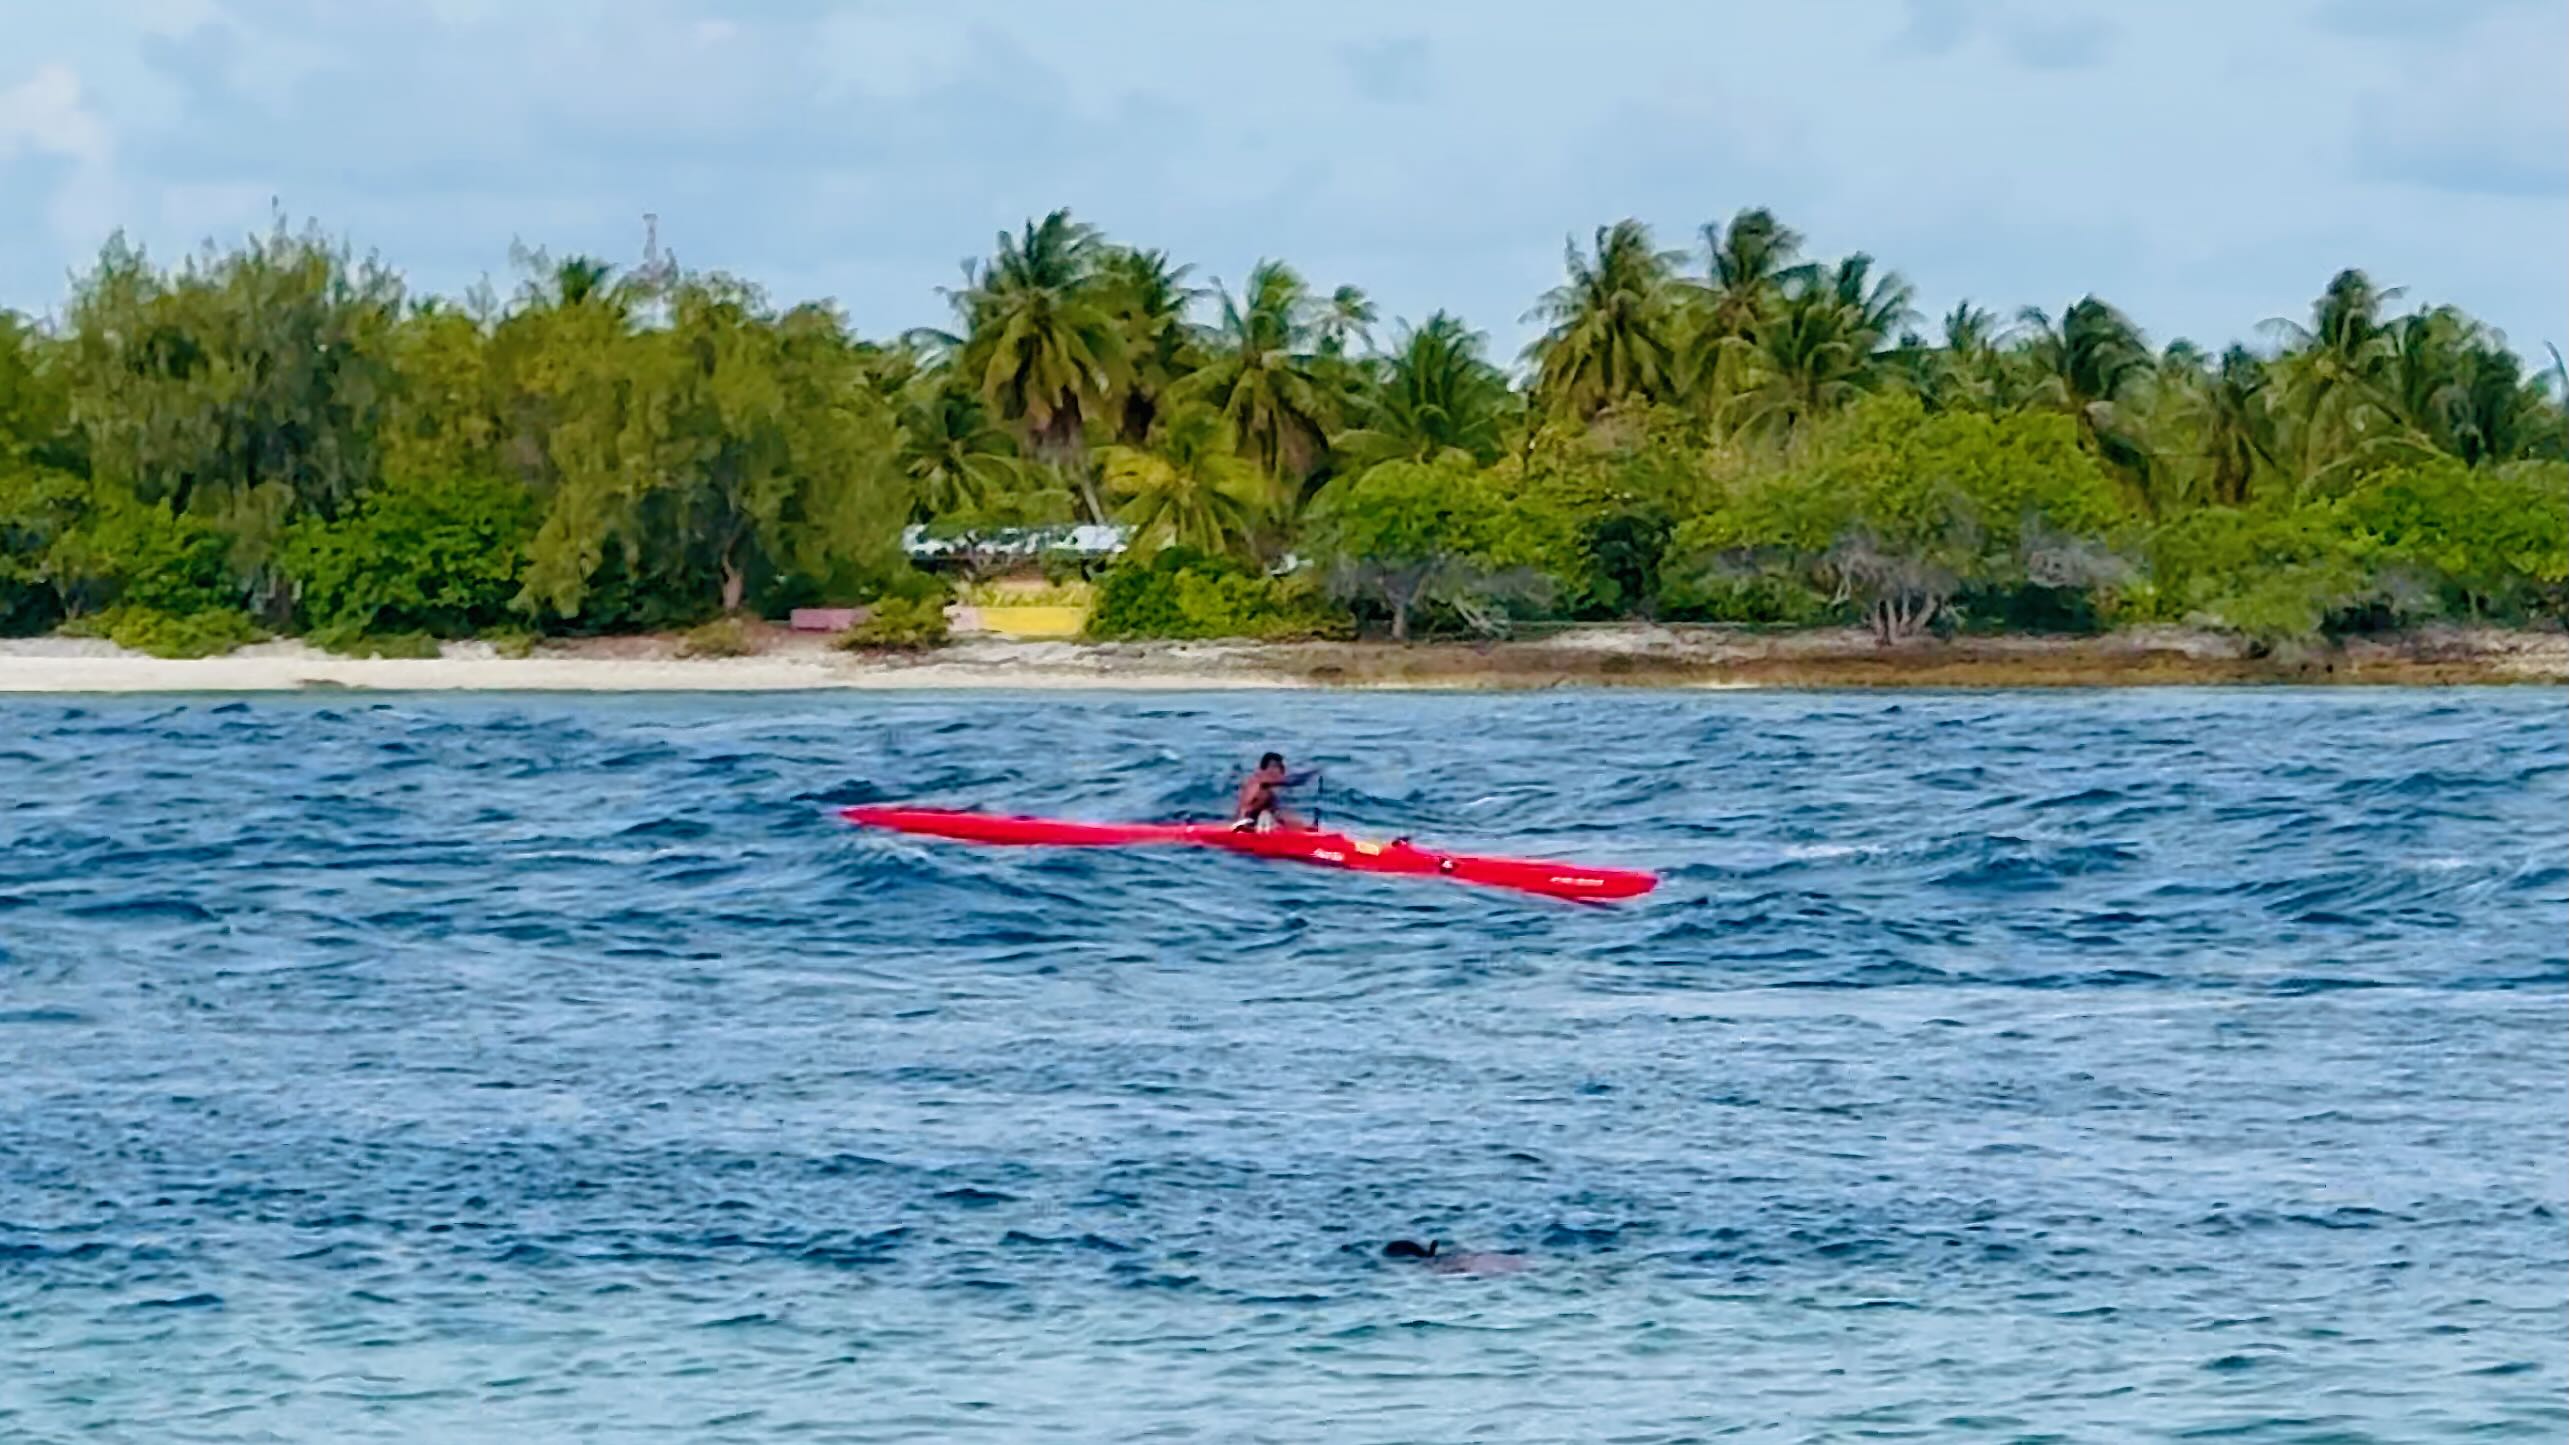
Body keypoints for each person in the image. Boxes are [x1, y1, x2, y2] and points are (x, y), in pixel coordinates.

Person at [1232, 752, 1310, 832]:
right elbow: (1292, 781)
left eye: (1279, 767)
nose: (1277, 770)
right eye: (1273, 767)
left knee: (1292, 821)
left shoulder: (1268, 791)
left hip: (1257, 825)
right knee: (1266, 814)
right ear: (1263, 769)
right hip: (1245, 826)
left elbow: (1279, 814)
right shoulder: (1257, 780)